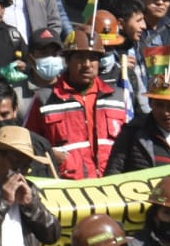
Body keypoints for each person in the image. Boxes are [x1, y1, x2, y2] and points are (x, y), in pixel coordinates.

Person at [24, 29, 128, 179]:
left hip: (112, 188)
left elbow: (129, 146)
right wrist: (50, 155)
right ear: (67, 60)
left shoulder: (117, 97)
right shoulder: (45, 99)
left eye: (93, 58)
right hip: (66, 190)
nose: (87, 65)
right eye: (79, 57)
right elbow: (28, 144)